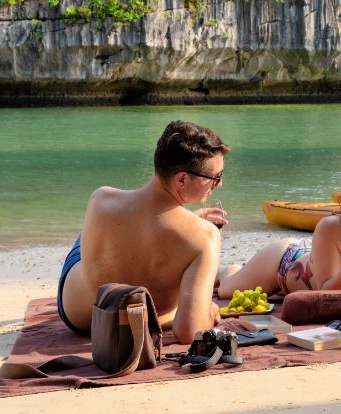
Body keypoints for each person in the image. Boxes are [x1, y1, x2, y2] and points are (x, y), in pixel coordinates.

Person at [58, 120, 230, 344]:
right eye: (215, 177)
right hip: (135, 320)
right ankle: (174, 226)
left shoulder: (102, 199)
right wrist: (207, 309)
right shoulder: (205, 237)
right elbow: (189, 332)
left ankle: (168, 224)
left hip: (79, 317)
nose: (220, 183)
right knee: (182, 249)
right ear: (182, 179)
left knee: (98, 235)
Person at [217, 158, 341, 298]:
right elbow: (327, 294)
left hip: (316, 256)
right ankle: (227, 270)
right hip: (284, 260)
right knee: (226, 290)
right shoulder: (331, 228)